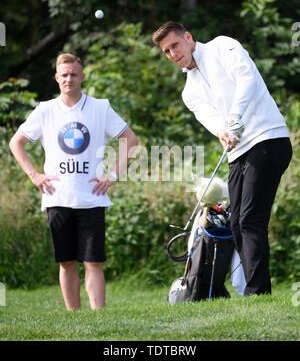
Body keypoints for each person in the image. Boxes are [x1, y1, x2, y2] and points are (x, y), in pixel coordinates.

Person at [152, 21, 292, 296]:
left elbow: (246, 78)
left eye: (175, 46)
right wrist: (223, 131)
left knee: (250, 220)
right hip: (238, 151)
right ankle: (254, 290)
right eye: (166, 51)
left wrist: (236, 116)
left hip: (267, 139)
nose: (172, 54)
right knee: (237, 222)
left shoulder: (222, 46)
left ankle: (257, 294)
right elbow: (213, 120)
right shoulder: (188, 92)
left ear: (189, 38)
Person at [9, 53, 138, 310]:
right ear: (57, 78)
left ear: (82, 76)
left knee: (93, 262)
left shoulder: (100, 107)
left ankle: (98, 316)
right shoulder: (45, 110)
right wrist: (34, 176)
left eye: (74, 74)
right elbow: (16, 142)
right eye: (64, 75)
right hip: (58, 196)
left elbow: (131, 140)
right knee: (66, 261)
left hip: (91, 196)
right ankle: (73, 316)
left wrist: (113, 176)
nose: (69, 79)